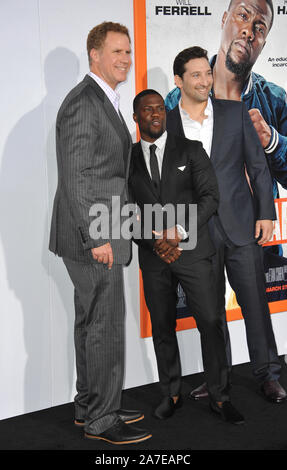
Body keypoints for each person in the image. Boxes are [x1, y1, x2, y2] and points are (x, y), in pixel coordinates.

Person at [49, 22, 151, 445]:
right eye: (117, 52)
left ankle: (90, 404)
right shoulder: (82, 103)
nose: (126, 59)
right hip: (95, 235)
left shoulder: (102, 99)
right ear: (94, 55)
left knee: (91, 322)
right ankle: (102, 419)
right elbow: (78, 177)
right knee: (104, 324)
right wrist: (98, 238)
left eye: (128, 51)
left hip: (98, 230)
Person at [166, 45, 287, 403]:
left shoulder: (236, 114)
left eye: (208, 73)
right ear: (179, 81)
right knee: (209, 311)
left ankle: (268, 374)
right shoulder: (169, 124)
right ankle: (217, 378)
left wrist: (266, 213)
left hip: (241, 224)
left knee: (254, 305)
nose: (205, 81)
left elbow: (258, 166)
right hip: (196, 231)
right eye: (196, 75)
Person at [129, 88, 245, 425]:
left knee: (211, 322)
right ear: (136, 118)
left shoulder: (191, 150)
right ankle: (172, 393)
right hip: (154, 258)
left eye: (159, 109)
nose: (155, 114)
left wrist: (178, 232)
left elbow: (211, 197)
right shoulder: (129, 157)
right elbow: (123, 210)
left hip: (194, 252)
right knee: (163, 327)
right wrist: (155, 241)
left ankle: (220, 397)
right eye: (147, 110)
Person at [165, 0, 287, 230]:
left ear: (264, 42)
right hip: (200, 234)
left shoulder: (275, 100)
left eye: (260, 28)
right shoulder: (175, 101)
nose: (248, 31)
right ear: (223, 19)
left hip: (256, 237)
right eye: (243, 16)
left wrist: (273, 141)